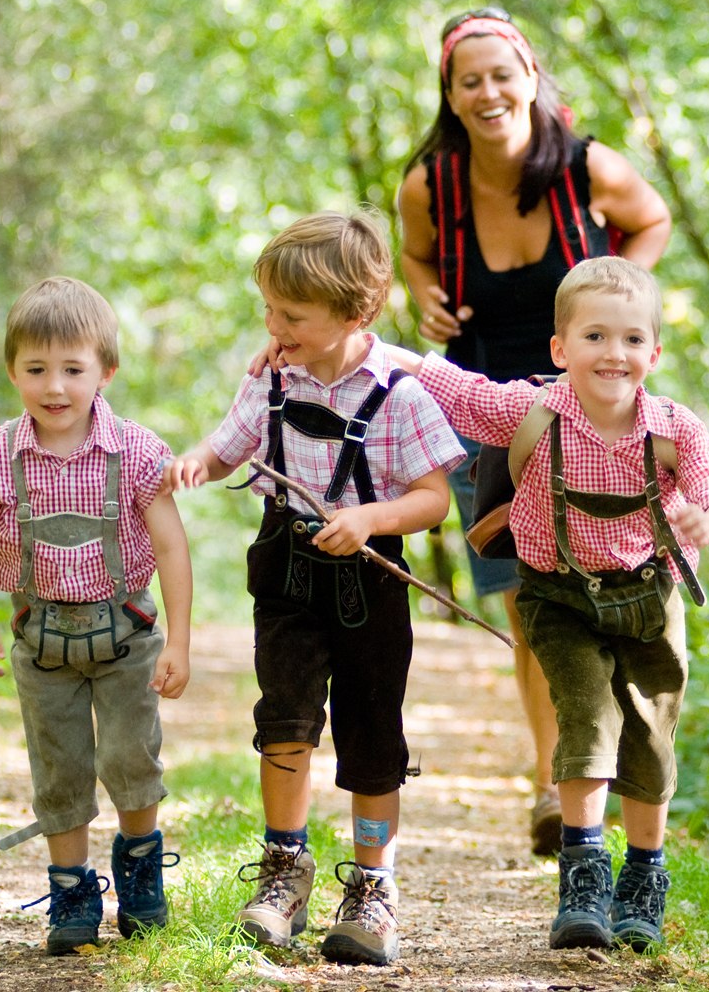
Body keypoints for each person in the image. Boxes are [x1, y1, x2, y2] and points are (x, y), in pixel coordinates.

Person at [376, 256, 709, 952]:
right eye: (595, 337)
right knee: (584, 718)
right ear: (560, 349)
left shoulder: (673, 429)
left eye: (633, 340)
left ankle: (643, 878)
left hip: (650, 599)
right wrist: (374, 350)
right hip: (558, 596)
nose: (615, 354)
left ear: (655, 352)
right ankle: (583, 876)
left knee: (649, 741)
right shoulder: (532, 410)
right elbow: (457, 389)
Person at [397, 6, 675, 855]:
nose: (488, 93)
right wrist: (421, 293)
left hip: (594, 400)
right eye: (468, 80)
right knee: (529, 602)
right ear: (450, 94)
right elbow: (412, 253)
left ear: (529, 78)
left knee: (620, 590)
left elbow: (653, 219)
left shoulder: (585, 165)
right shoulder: (430, 185)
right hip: (490, 406)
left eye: (501, 75)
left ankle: (625, 769)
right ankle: (555, 781)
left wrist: (616, 293)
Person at [167, 210, 464, 967]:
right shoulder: (272, 374)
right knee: (285, 717)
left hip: (369, 581)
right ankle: (283, 869)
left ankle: (372, 887)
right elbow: (233, 445)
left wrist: (371, 517)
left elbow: (435, 498)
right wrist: (198, 462)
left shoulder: (402, 393)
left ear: (354, 314)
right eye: (269, 309)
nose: (274, 325)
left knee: (372, 731)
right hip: (287, 569)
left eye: (291, 315)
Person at [0, 277, 193, 955]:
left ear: (105, 372)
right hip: (41, 641)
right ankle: (71, 888)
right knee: (58, 769)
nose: (54, 386)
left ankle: (140, 868)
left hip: (127, 639)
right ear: (12, 370)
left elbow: (170, 544)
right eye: (36, 369)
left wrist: (182, 640)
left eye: (72, 369)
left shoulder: (137, 452)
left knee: (130, 757)